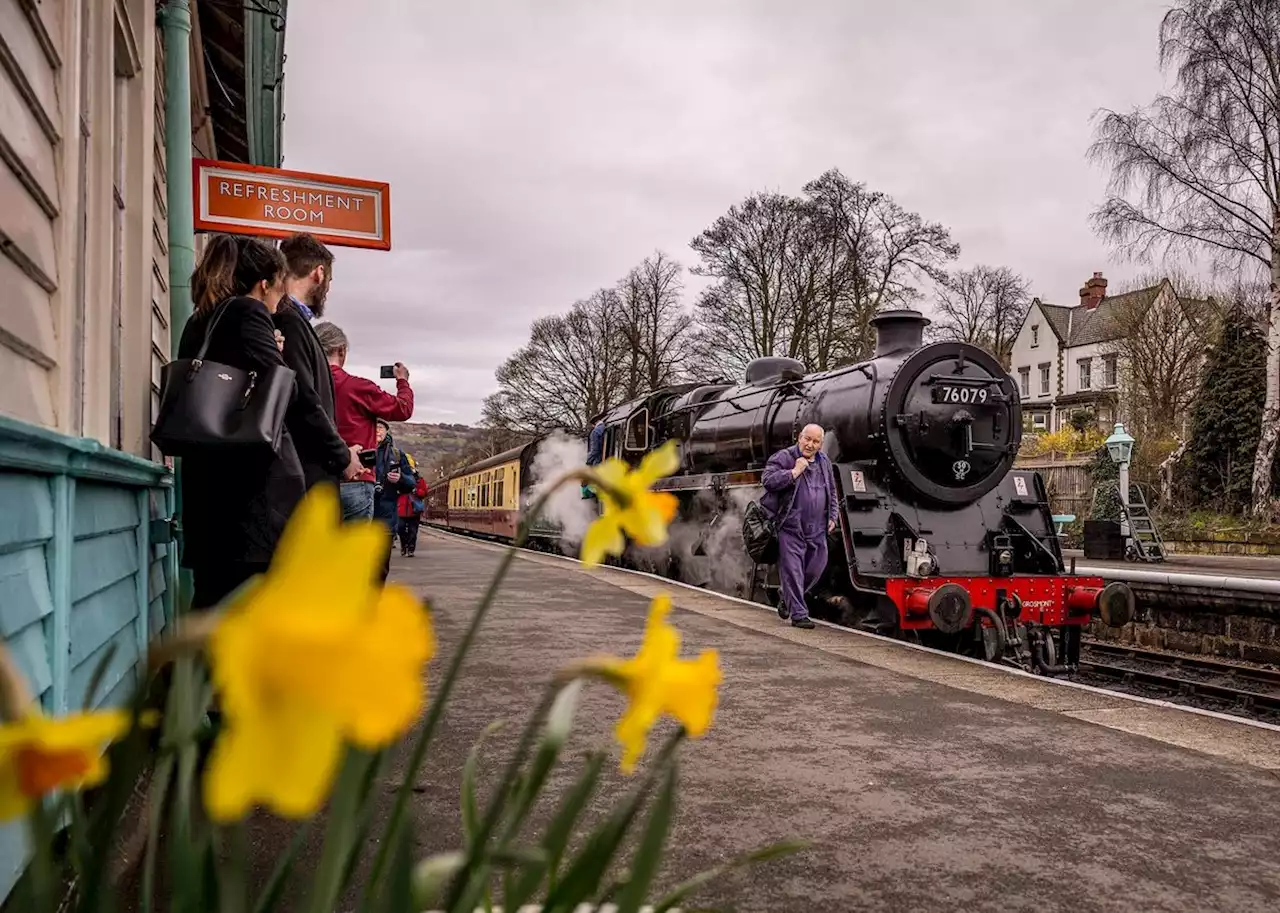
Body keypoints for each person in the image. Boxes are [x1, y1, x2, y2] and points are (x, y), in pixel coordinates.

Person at [175, 234, 361, 610]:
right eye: (278, 289)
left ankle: (191, 669)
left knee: (213, 602)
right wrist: (340, 454)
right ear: (265, 284)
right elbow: (289, 391)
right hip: (249, 494)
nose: (281, 304)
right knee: (249, 606)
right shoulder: (249, 312)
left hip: (209, 490)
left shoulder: (200, 320)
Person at [312, 322, 415, 522]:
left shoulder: (302, 384)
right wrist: (402, 381)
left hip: (313, 481)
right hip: (356, 480)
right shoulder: (358, 387)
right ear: (341, 351)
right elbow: (403, 408)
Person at [274, 232, 350, 493]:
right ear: (318, 273)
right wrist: (343, 456)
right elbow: (305, 401)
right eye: (328, 279)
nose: (327, 288)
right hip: (302, 477)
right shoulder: (289, 321)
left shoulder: (288, 319)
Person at [759, 424, 839, 629]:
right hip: (791, 525)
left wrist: (833, 515)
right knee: (793, 571)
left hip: (818, 528)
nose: (810, 445)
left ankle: (787, 597)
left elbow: (832, 490)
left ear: (821, 444)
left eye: (815, 442)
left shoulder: (824, 462)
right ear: (799, 437)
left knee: (816, 567)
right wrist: (794, 472)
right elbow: (767, 480)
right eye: (807, 439)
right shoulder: (783, 457)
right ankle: (799, 615)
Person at [374, 419, 417, 581]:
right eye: (373, 428)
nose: (377, 431)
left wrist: (400, 479)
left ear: (386, 431)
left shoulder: (397, 455)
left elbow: (411, 483)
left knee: (380, 566)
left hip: (386, 515)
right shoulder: (356, 449)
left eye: (380, 428)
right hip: (359, 514)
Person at [397, 471, 427, 556]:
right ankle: (404, 545)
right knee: (400, 529)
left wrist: (416, 491)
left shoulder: (419, 480)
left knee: (413, 531)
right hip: (401, 509)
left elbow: (424, 492)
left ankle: (411, 548)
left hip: (414, 510)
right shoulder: (399, 477)